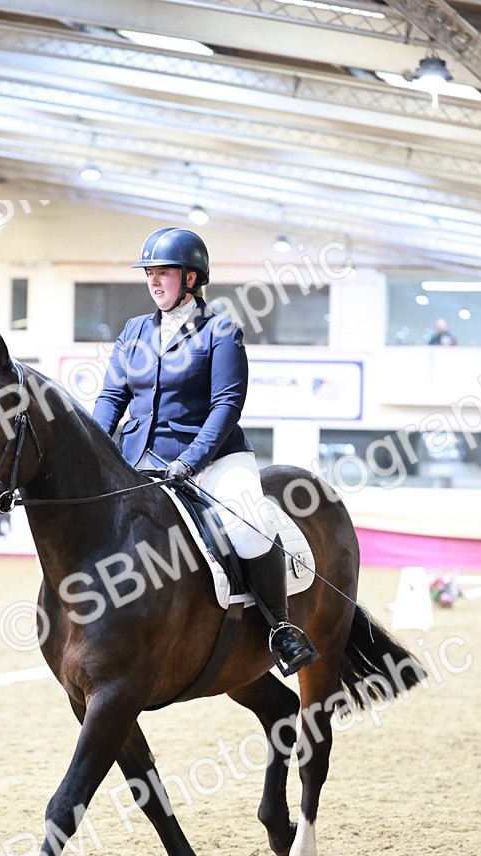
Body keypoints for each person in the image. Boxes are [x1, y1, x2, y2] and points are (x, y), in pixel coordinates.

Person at [93, 226, 318, 675]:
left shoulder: (220, 331)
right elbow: (111, 399)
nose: (154, 281)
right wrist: (96, 448)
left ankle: (280, 629)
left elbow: (226, 406)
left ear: (191, 279)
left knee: (249, 524)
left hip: (214, 458)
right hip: (140, 459)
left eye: (164, 273)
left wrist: (189, 461)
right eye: (149, 274)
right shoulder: (134, 331)